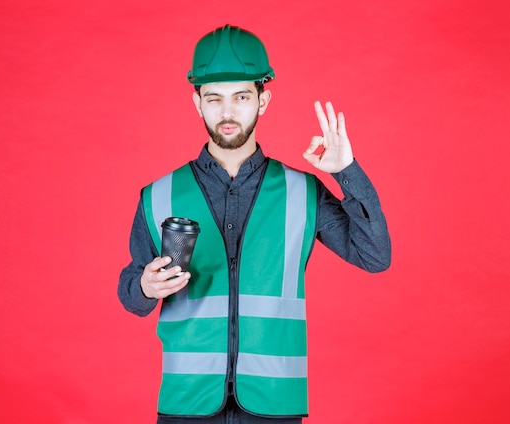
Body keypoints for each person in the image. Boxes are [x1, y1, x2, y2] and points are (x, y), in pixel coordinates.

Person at [118, 24, 391, 424]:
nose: (227, 112)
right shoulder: (158, 194)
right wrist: (144, 285)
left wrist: (347, 171)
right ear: (198, 104)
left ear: (263, 101)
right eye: (214, 99)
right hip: (186, 403)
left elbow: (374, 256)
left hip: (274, 402)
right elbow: (130, 291)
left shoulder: (303, 191)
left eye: (241, 97)